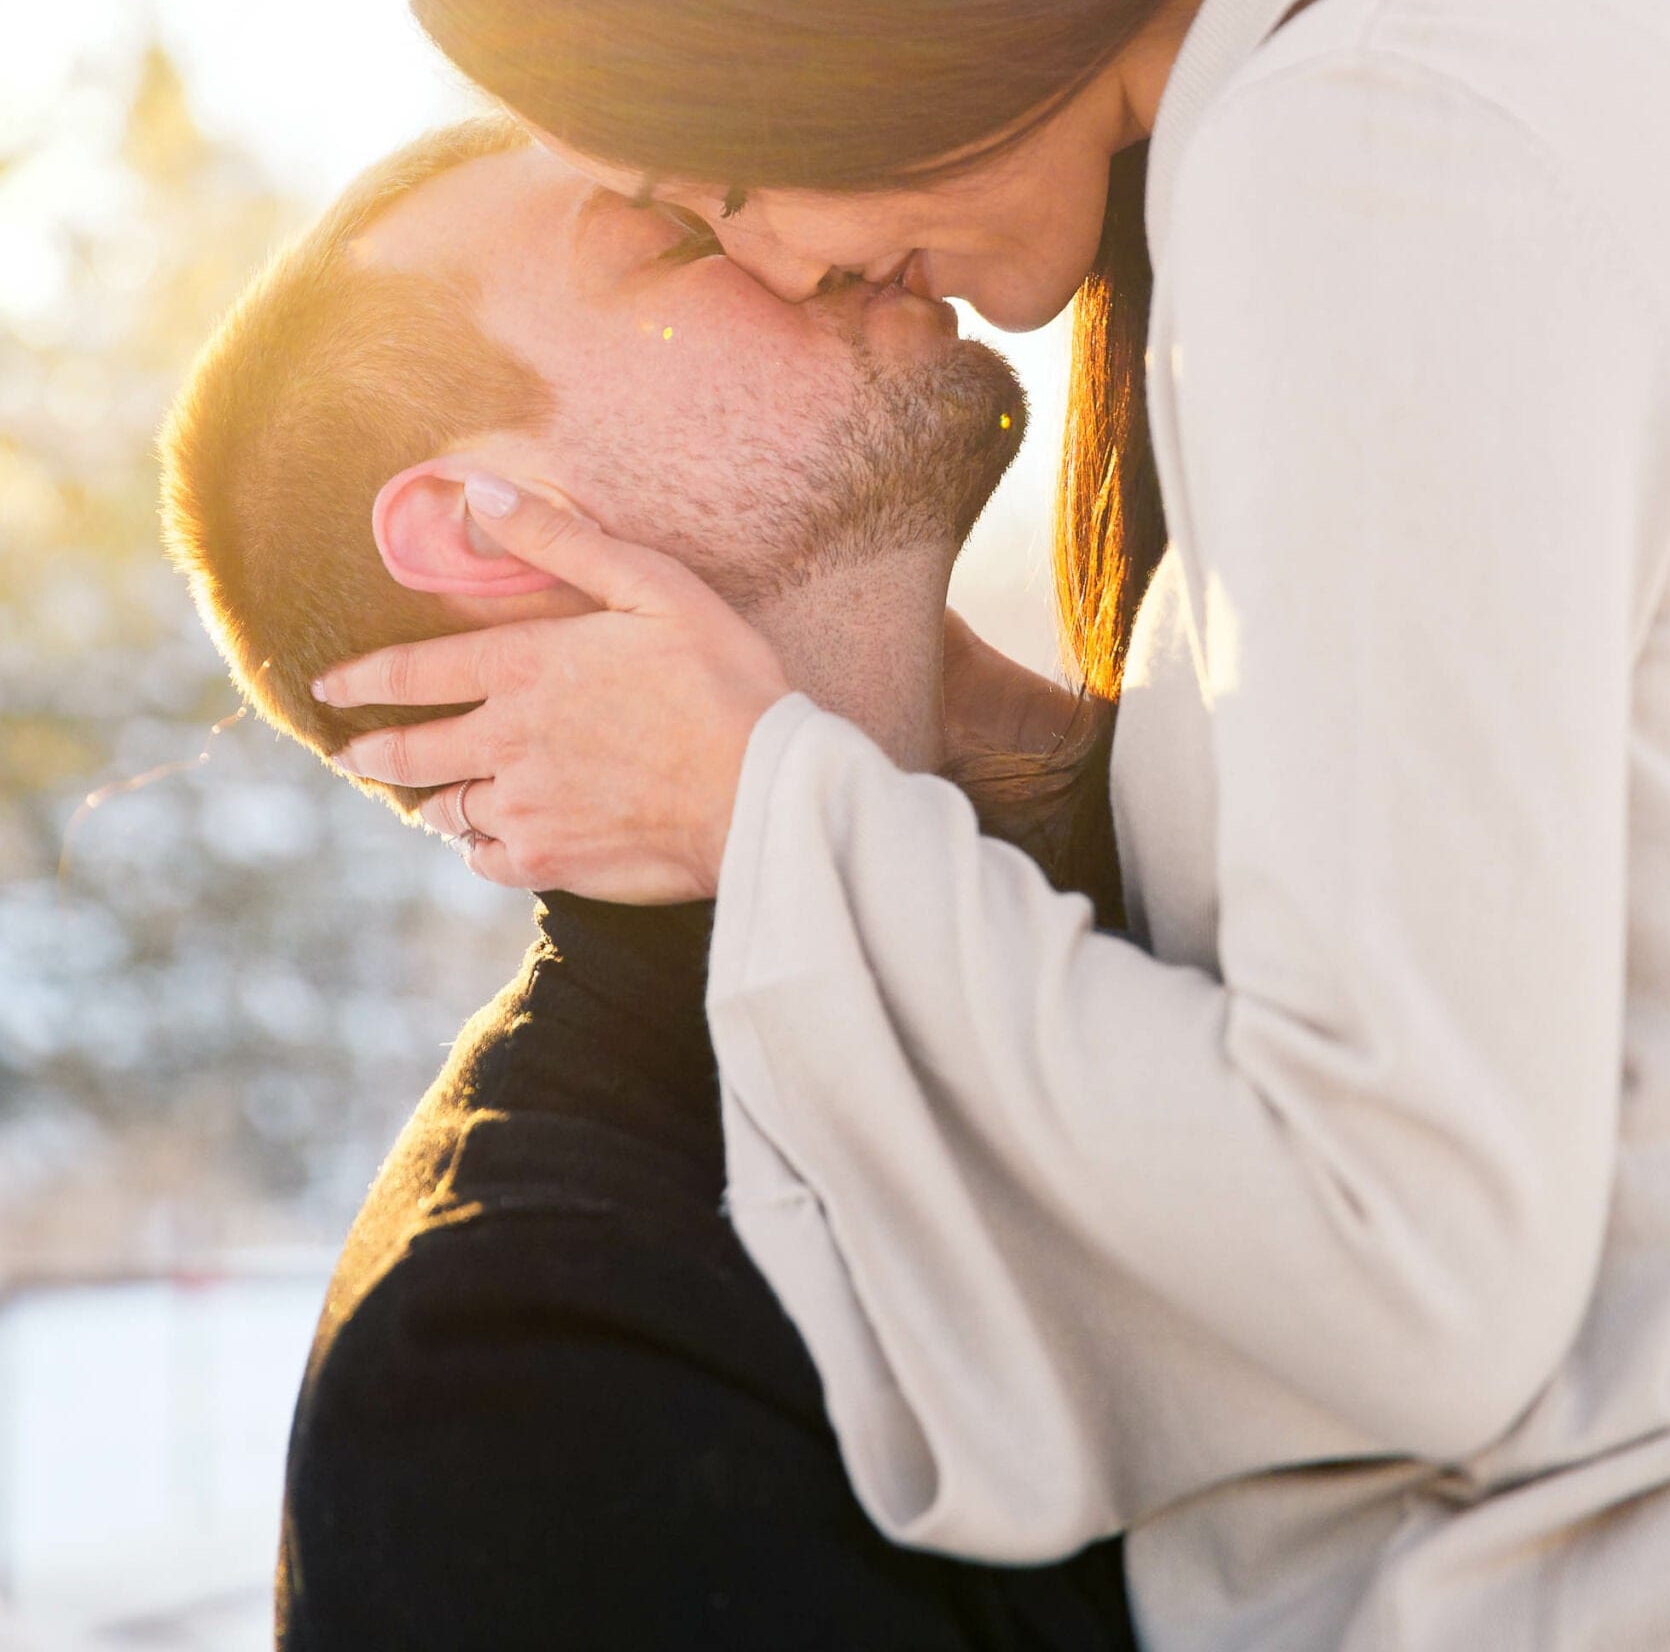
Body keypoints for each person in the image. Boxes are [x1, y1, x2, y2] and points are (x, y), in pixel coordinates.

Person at [317, 0, 1670, 1650]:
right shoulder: (1456, 26)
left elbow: (1403, 1252)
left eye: (720, 156)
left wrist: (769, 806)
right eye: (684, 221)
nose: (782, 246)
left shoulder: (1377, 150)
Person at [159, 114, 1135, 1651]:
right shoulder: (519, 1352)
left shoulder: (1183, 882)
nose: (797, 227)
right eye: (680, 239)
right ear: (484, 529)